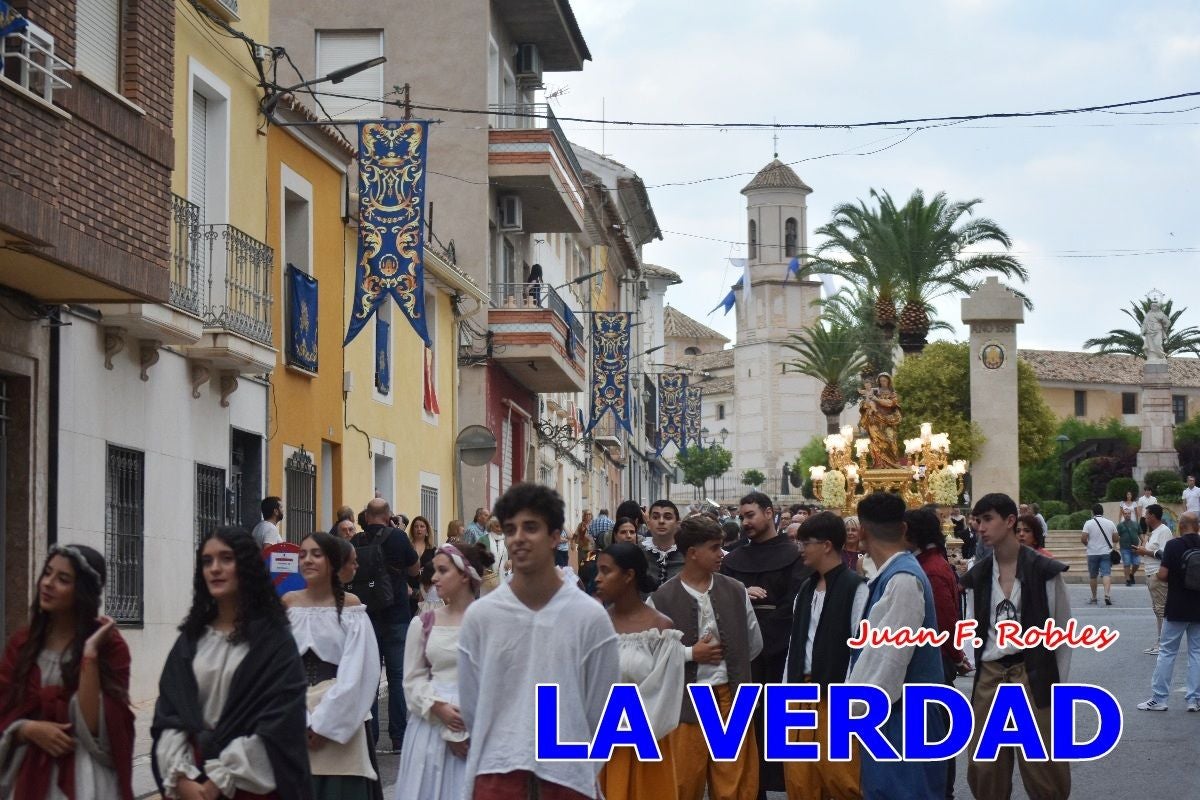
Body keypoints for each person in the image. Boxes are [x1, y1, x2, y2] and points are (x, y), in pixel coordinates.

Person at [458, 483, 620, 799]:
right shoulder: (481, 616)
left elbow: (603, 709)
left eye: (530, 527)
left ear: (555, 536)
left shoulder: (590, 617)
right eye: (510, 529)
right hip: (497, 775)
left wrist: (581, 764)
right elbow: (473, 705)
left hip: (568, 778)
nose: (518, 537)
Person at [152, 526, 311, 800]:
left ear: (246, 566)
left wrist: (222, 778)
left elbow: (281, 722)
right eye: (207, 561)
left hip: (251, 784)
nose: (215, 568)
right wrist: (180, 777)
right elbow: (170, 713)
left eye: (226, 559)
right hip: (192, 777)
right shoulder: (191, 640)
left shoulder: (274, 642)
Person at [0, 544, 135, 800]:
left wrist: (90, 654)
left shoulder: (110, 648)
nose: (48, 583)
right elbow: (4, 706)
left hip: (86, 778)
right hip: (25, 773)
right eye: (47, 573)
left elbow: (99, 729)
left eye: (63, 579)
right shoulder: (23, 644)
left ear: (82, 591)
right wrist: (28, 729)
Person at [959, 494, 1071, 800]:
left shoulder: (1043, 570)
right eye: (978, 520)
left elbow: (1060, 631)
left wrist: (1055, 685)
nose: (980, 527)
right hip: (990, 674)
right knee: (984, 770)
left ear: (1010, 521)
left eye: (988, 519)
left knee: (1045, 770)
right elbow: (972, 627)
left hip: (1033, 672)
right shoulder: (979, 574)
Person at [649, 516, 762, 800]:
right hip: (685, 704)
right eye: (714, 548)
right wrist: (689, 654)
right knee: (682, 785)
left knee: (734, 786)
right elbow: (648, 660)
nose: (721, 554)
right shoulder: (661, 599)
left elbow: (753, 644)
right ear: (692, 553)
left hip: (731, 699)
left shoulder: (736, 591)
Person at [847, 492, 946, 800]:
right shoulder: (894, 574)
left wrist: (856, 710)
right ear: (903, 528)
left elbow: (889, 659)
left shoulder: (902, 579)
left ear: (862, 531)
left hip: (901, 718)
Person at [721, 491, 809, 798]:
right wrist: (742, 591)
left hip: (778, 652)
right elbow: (722, 597)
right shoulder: (733, 560)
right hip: (743, 653)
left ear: (769, 513)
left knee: (779, 723)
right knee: (745, 725)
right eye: (742, 516)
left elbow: (796, 600)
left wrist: (768, 637)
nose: (744, 522)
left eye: (750, 515)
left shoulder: (794, 555)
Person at [284, 533, 381, 800]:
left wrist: (324, 724)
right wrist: (301, 721)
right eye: (302, 554)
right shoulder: (287, 605)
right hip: (293, 712)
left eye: (316, 554)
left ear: (331, 561)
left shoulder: (351, 609)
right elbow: (275, 669)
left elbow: (359, 671)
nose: (307, 560)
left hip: (342, 716)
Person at [397, 542, 492, 800]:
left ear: (464, 574)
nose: (434, 577)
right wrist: (438, 708)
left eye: (442, 570)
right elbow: (412, 679)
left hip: (477, 725)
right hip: (430, 726)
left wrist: (464, 727)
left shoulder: (491, 623)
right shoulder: (424, 623)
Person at [782, 513, 867, 800]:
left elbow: (860, 649)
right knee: (800, 781)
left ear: (827, 545)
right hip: (799, 694)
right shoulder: (805, 589)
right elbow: (796, 643)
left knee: (842, 780)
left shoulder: (856, 587)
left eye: (806, 542)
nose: (801, 548)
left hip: (835, 697)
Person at [593, 543, 684, 800]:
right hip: (601, 744)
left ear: (628, 575)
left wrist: (622, 722)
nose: (597, 578)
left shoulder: (661, 629)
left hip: (646, 742)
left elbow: (666, 692)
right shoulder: (594, 626)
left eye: (605, 571)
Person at [907, 508, 972, 799]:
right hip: (942, 656)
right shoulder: (932, 562)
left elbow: (944, 621)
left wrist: (956, 655)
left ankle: (942, 790)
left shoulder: (929, 568)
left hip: (937, 659)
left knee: (935, 731)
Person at [352, 499, 421, 754]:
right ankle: (399, 737)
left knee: (369, 677)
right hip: (397, 614)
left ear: (367, 516)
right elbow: (415, 569)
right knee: (397, 677)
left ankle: (369, 736)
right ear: (389, 515)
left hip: (365, 616)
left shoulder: (356, 541)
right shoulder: (399, 538)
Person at [1137, 512, 1200, 712]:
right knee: (1196, 653)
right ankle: (1194, 700)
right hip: (1198, 608)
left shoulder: (1174, 545)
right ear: (1198, 527)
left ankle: (1159, 698)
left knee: (1167, 652)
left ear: (1180, 527)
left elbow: (1163, 574)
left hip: (1177, 606)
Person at [1134, 504, 1179, 655]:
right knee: (1157, 609)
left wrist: (1144, 551)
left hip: (1157, 574)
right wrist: (1143, 551)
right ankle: (1160, 641)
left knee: (1161, 610)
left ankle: (1163, 644)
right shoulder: (1154, 532)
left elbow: (1164, 554)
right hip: (1151, 574)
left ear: (1153, 516)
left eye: (1147, 515)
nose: (1145, 518)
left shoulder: (1164, 531)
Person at [643, 500, 685, 589]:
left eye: (668, 517)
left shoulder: (688, 555)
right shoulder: (638, 553)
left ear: (678, 524)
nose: (661, 521)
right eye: (655, 517)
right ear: (649, 523)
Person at [1081, 504, 1118, 605]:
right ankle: (1107, 595)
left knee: (1093, 576)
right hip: (1106, 552)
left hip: (1092, 553)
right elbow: (1116, 538)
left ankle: (1094, 597)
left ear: (1092, 512)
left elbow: (1083, 538)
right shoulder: (1110, 523)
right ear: (1103, 512)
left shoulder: (1088, 523)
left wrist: (1089, 545)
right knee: (1106, 574)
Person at [408, 516, 437, 615]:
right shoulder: (408, 546)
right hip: (409, 587)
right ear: (412, 530)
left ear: (427, 530)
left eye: (422, 526)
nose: (419, 529)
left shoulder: (432, 549)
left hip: (426, 589)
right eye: (416, 526)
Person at [1117, 508, 1142, 586]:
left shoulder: (1136, 524)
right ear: (1123, 515)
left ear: (1131, 514)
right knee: (1127, 564)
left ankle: (1131, 574)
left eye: (1128, 513)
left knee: (1137, 563)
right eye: (1125, 513)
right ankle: (1127, 580)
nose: (1127, 515)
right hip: (1124, 548)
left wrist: (1142, 545)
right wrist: (1114, 547)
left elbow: (1140, 535)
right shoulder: (1120, 525)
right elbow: (1116, 536)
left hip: (1135, 548)